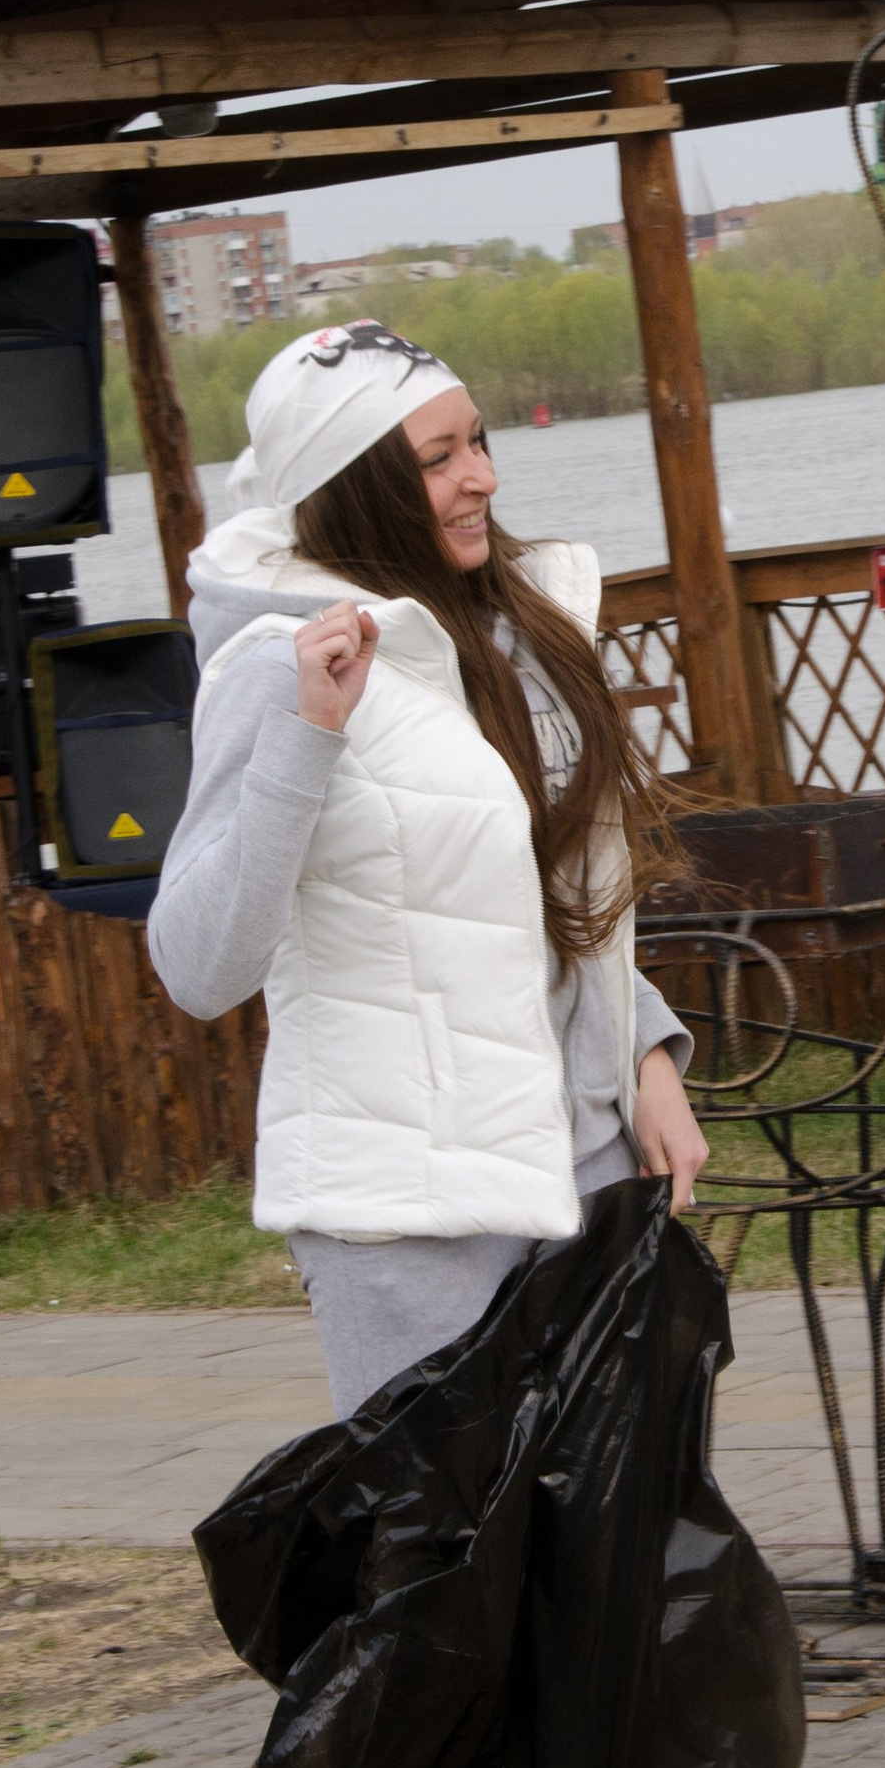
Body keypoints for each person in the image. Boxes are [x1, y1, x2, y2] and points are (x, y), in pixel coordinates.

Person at [148, 317, 707, 1418]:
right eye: (439, 458)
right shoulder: (281, 668)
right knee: (448, 1574)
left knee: (609, 1559)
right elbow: (200, 965)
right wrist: (308, 734)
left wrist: (643, 1052)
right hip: (409, 1212)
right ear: (353, 487)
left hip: (584, 1163)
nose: (482, 478)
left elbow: (547, 895)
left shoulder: (527, 631)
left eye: (479, 442)